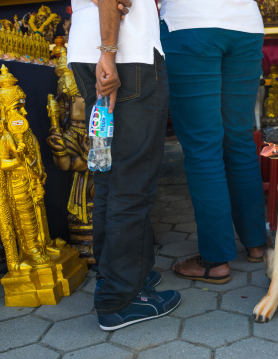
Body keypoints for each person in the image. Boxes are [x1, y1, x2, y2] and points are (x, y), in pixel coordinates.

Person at [67, 0, 181, 330]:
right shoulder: (115, 53)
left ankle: (124, 275)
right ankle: (119, 299)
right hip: (125, 59)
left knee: (109, 174)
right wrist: (109, 51)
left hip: (91, 53)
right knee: (131, 182)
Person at [159, 0, 268, 283]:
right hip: (245, 24)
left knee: (202, 147)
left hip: (191, 21)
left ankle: (215, 260)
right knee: (240, 139)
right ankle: (256, 244)